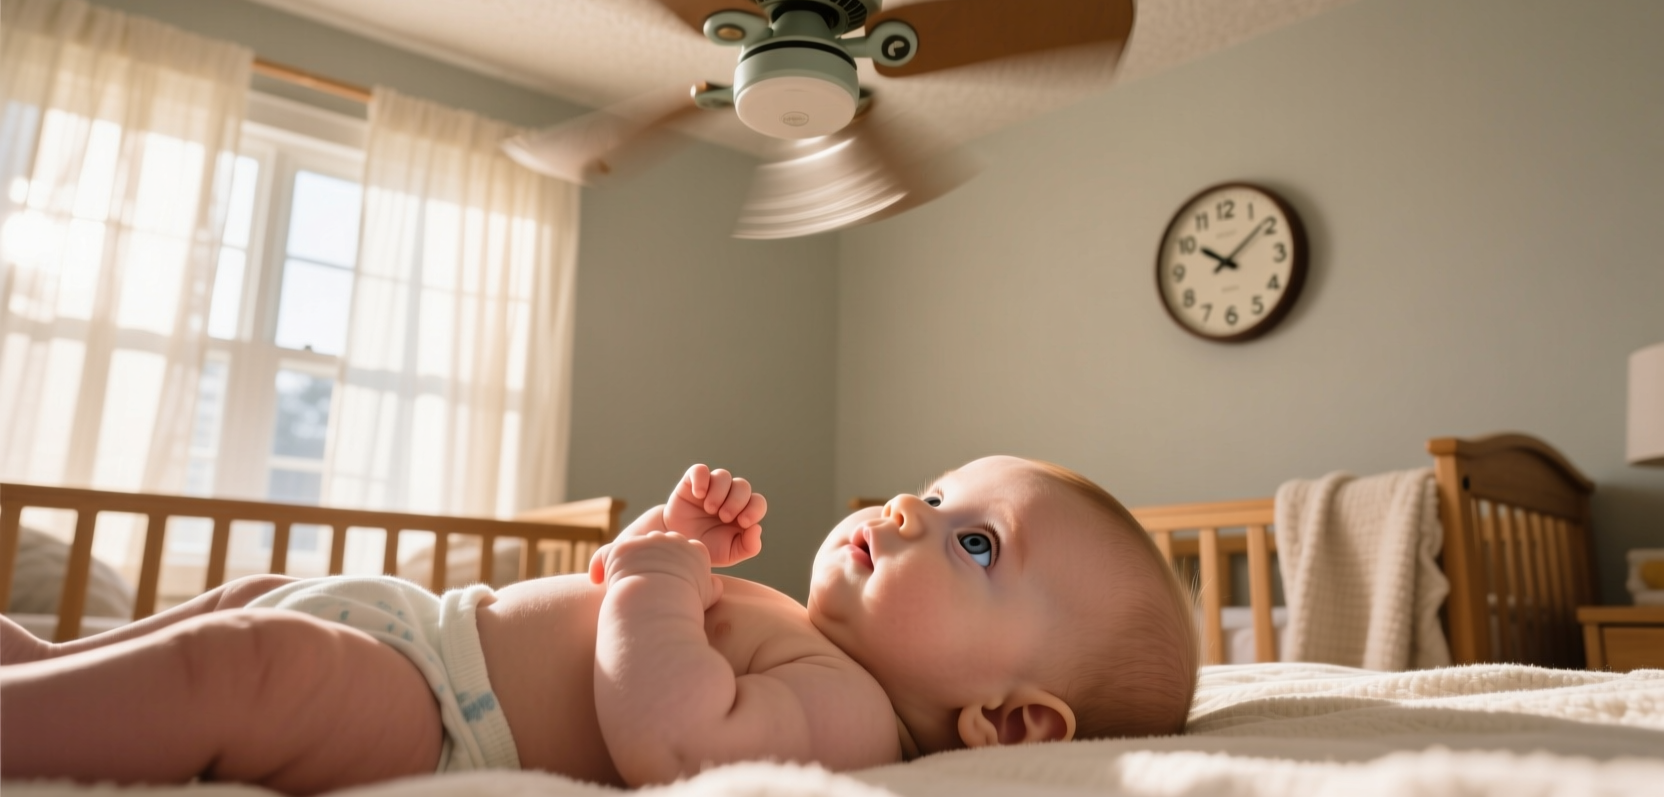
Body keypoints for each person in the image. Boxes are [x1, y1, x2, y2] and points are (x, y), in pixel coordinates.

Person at [1, 456, 1197, 793]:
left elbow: (669, 735)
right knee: (245, 601)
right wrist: (676, 545)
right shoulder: (803, 628)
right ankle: (47, 664)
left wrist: (659, 573)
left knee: (246, 666)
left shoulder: (849, 719)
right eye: (932, 493)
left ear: (1008, 719)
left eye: (974, 542)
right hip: (426, 624)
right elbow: (628, 613)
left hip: (441, 714)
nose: (907, 511)